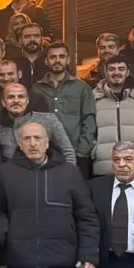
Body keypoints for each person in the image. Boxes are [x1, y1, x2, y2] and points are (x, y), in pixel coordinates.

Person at [0, 122, 99, 268]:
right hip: (21, 262)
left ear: (47, 142)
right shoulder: (4, 173)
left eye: (37, 138)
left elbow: (86, 217)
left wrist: (88, 254)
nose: (32, 143)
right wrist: (6, 239)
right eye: (27, 139)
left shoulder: (69, 173)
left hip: (62, 262)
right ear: (20, 144)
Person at [33, 42, 97, 177]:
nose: (57, 60)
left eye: (61, 56)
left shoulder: (81, 87)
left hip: (76, 152)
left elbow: (89, 119)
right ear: (46, 61)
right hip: (45, 154)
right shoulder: (36, 89)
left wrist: (82, 151)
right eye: (53, 57)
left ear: (68, 60)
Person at [92, 56, 134, 177]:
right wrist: (96, 151)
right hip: (104, 167)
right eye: (112, 69)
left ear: (128, 72)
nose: (116, 73)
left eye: (121, 69)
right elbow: (89, 130)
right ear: (105, 72)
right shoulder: (94, 100)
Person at [0, 83, 75, 165]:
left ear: (27, 101)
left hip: (46, 171)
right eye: (11, 97)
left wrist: (69, 171)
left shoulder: (49, 120)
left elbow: (67, 152)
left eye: (21, 97)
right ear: (3, 102)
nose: (16, 101)